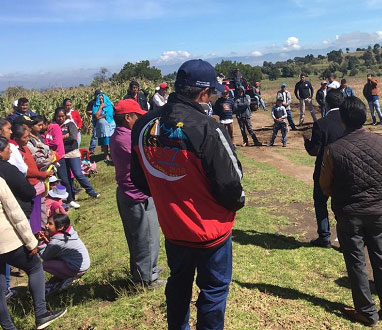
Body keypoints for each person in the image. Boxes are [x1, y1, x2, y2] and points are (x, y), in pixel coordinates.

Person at [131, 59, 244, 330]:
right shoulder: (208, 128)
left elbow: (140, 180)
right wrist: (235, 204)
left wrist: (169, 195)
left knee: (178, 284)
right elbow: (231, 184)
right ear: (203, 94)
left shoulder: (142, 126)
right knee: (214, 290)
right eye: (212, 93)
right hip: (210, 231)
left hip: (173, 229)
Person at [319, 96, 382, 326]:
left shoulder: (333, 150)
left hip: (349, 213)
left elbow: (325, 186)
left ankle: (366, 311)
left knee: (356, 262)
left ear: (342, 120)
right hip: (377, 210)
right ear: (365, 116)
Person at [0, 172, 67, 330]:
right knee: (35, 267)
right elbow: (14, 213)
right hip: (7, 240)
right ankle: (41, 314)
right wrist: (30, 241)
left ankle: (9, 327)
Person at [110, 99, 163, 288]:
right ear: (127, 117)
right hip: (137, 195)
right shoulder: (128, 139)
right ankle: (147, 279)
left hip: (128, 192)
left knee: (137, 237)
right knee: (147, 237)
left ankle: (143, 270)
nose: (140, 119)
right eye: (137, 116)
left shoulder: (119, 135)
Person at [303, 89, 346, 247]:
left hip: (324, 169)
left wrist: (307, 141)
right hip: (344, 169)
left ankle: (324, 236)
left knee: (320, 202)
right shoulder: (348, 121)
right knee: (342, 206)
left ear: (326, 104)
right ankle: (344, 240)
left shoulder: (321, 124)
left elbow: (314, 151)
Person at [36, 213, 90, 294]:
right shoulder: (68, 233)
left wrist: (41, 241)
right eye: (47, 222)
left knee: (45, 264)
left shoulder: (56, 242)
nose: (46, 226)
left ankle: (69, 277)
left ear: (60, 227)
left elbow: (45, 256)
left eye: (50, 224)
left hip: (77, 269)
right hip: (83, 265)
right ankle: (67, 275)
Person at [12, 125, 51, 233]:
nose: (27, 139)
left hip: (37, 184)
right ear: (16, 139)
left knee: (41, 210)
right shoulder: (17, 153)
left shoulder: (25, 148)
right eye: (24, 137)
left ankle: (43, 231)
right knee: (35, 215)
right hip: (31, 186)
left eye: (28, 136)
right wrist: (42, 174)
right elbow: (26, 171)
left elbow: (32, 165)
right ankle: (38, 235)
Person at [55, 108, 100, 201]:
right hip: (61, 154)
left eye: (62, 116)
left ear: (65, 116)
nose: (60, 118)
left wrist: (60, 138)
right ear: (55, 116)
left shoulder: (70, 124)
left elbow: (72, 137)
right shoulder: (54, 126)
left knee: (78, 173)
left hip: (72, 152)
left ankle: (91, 192)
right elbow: (53, 140)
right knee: (66, 177)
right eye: (58, 116)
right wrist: (64, 136)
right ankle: (71, 197)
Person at [92, 91, 116, 163]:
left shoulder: (109, 105)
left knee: (112, 140)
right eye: (99, 99)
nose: (101, 100)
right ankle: (106, 155)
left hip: (110, 125)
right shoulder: (95, 106)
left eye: (102, 99)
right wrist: (100, 107)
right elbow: (96, 116)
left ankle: (113, 154)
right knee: (104, 141)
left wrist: (101, 116)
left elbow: (109, 115)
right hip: (102, 128)